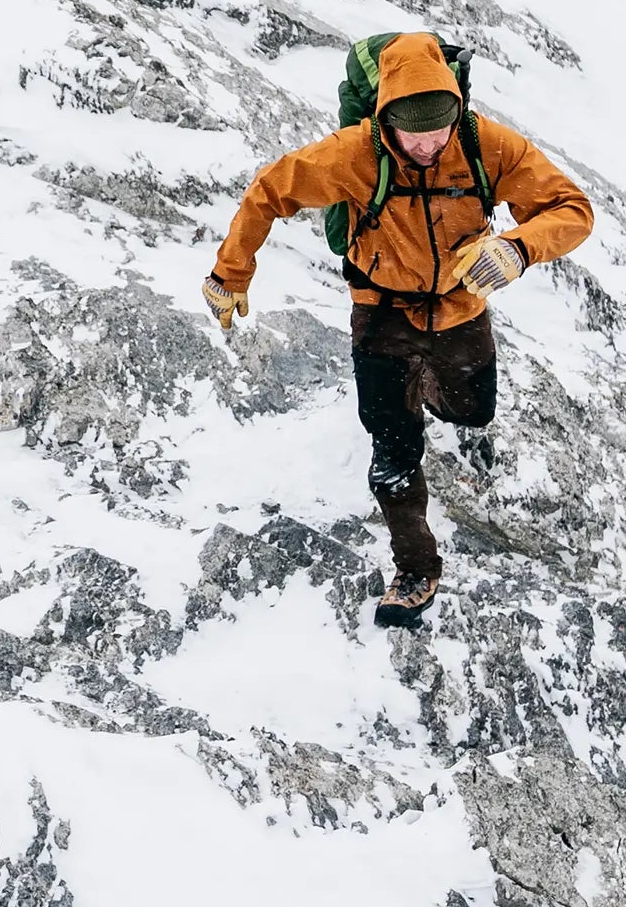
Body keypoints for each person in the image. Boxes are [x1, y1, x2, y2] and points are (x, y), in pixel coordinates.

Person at [202, 31, 594, 624]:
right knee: (393, 450)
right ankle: (415, 569)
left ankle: (434, 397)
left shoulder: (485, 145)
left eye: (441, 130)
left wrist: (518, 247)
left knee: (473, 411)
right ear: (384, 119)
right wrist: (231, 272)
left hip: (461, 307)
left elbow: (572, 208)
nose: (430, 145)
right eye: (414, 134)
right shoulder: (354, 154)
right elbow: (269, 192)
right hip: (381, 314)